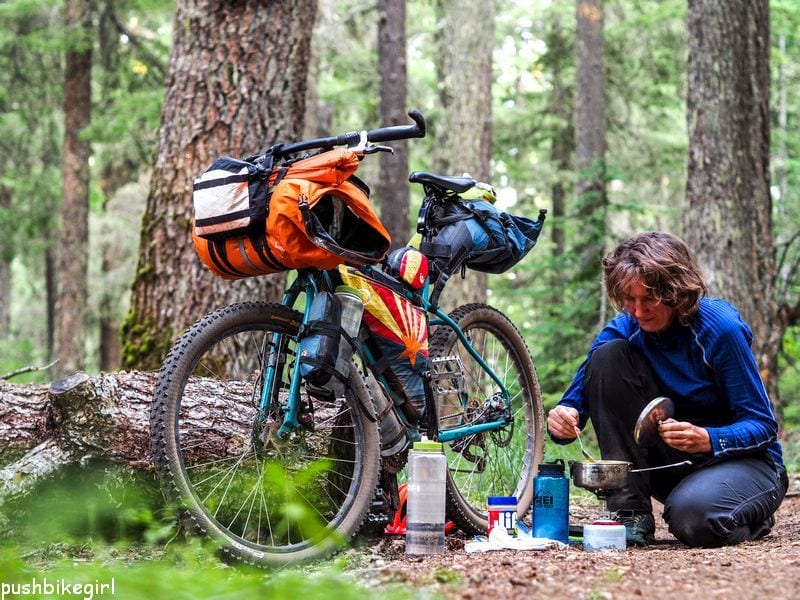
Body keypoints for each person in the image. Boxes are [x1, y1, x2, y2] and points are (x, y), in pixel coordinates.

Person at [548, 231, 788, 548]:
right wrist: (563, 418)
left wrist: (708, 438)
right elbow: (573, 408)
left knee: (694, 520)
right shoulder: (625, 328)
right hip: (675, 465)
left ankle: (749, 514)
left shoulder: (719, 329)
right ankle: (630, 514)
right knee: (608, 356)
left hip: (747, 464)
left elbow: (764, 427)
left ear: (676, 292)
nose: (638, 311)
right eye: (629, 300)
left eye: (648, 299)